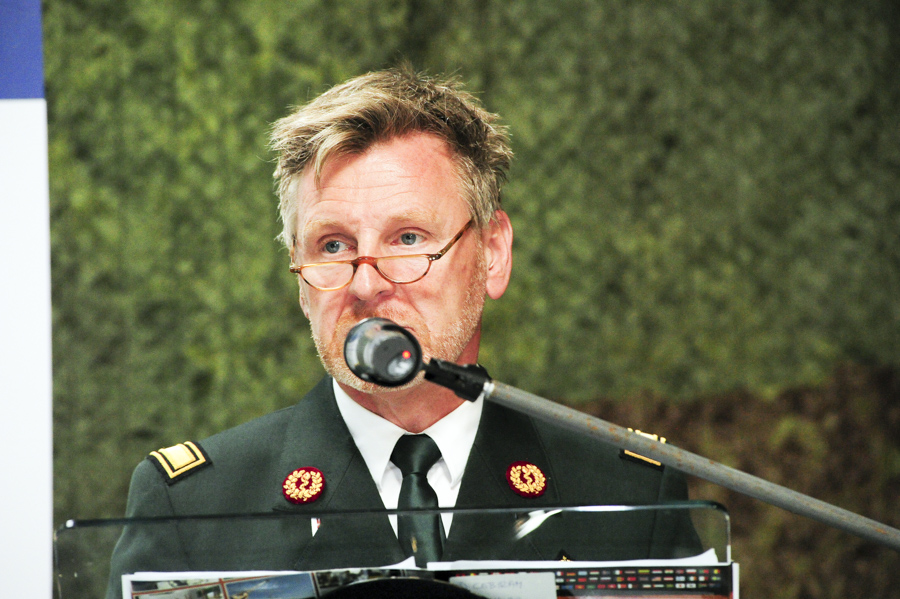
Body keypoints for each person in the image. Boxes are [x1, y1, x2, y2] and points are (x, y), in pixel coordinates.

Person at [106, 66, 698, 597]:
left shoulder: (625, 490)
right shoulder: (191, 506)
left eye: (408, 238)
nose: (366, 284)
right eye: (332, 246)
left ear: (492, 254)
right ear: (300, 280)